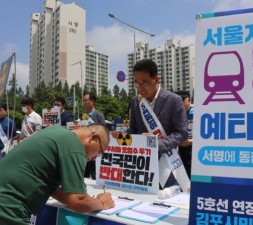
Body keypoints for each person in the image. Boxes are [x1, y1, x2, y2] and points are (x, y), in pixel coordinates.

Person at [0, 124, 115, 225]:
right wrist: (102, 203)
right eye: (100, 152)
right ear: (94, 138)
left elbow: (53, 189)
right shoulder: (75, 146)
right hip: (5, 210)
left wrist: (80, 200)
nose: (95, 158)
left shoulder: (57, 132)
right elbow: (78, 201)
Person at [115, 59, 188, 189]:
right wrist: (122, 136)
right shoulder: (135, 102)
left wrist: (156, 144)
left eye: (144, 82)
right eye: (136, 83)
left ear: (156, 79)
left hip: (167, 164)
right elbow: (133, 129)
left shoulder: (173, 100)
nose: (140, 87)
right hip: (142, 166)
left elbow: (181, 133)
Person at [82, 92, 105, 180]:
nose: (83, 102)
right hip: (84, 150)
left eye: (85, 100)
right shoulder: (83, 116)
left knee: (95, 175)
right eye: (83, 100)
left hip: (95, 151)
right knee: (85, 175)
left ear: (92, 101)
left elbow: (103, 133)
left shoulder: (99, 115)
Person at [175, 90, 194, 179]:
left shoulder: (197, 113)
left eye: (182, 100)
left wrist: (192, 141)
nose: (180, 103)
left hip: (195, 147)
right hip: (182, 149)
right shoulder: (175, 115)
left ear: (189, 100)